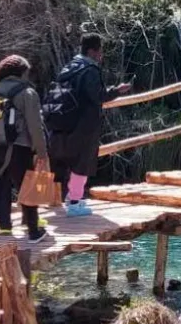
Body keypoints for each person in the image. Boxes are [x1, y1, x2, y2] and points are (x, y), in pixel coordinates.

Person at [43, 32, 132, 216]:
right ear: (92, 51)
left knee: (63, 162)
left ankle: (64, 199)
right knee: (82, 162)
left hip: (61, 122)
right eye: (100, 51)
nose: (101, 55)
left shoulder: (69, 67)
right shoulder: (90, 70)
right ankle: (74, 202)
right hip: (83, 125)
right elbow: (98, 95)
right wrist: (117, 91)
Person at [0, 54, 52, 244]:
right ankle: (34, 232)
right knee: (27, 188)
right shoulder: (26, 92)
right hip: (18, 147)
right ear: (22, 73)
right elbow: (35, 125)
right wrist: (42, 152)